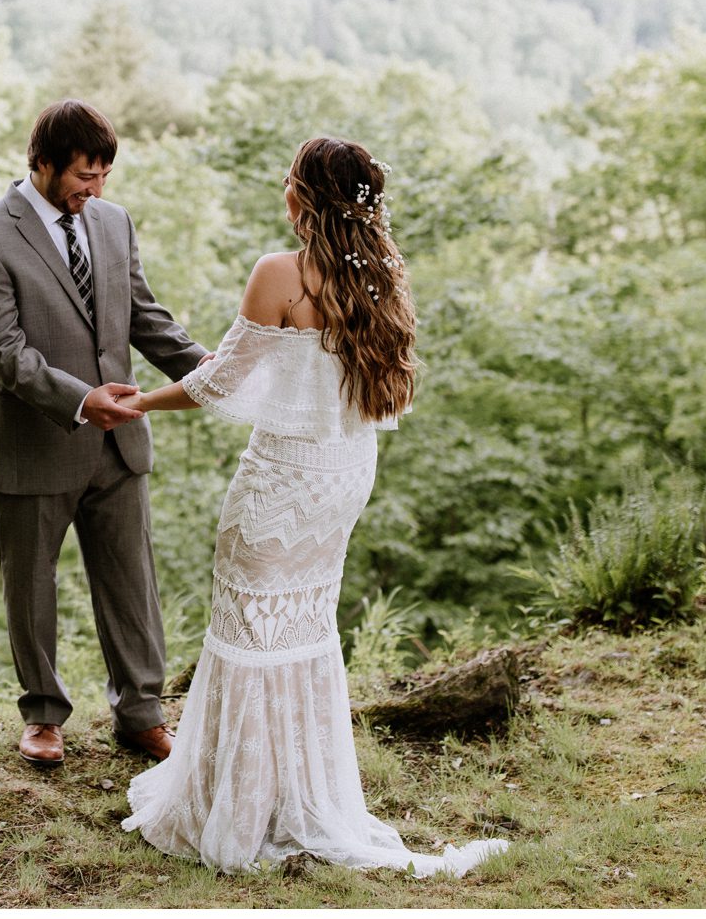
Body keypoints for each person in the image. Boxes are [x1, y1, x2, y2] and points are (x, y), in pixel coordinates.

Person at [116, 136, 511, 878]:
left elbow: (220, 381)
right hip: (343, 479)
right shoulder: (383, 277)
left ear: (302, 196)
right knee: (300, 631)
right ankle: (293, 793)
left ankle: (239, 805)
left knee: (246, 630)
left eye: (289, 181)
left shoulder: (281, 273)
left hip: (280, 483)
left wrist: (131, 403)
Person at [0, 99, 212, 769]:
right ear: (41, 163)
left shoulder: (114, 223)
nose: (94, 191)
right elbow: (5, 354)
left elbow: (144, 317)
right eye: (82, 177)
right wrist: (80, 401)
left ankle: (142, 714)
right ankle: (42, 714)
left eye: (102, 177)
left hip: (119, 446)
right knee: (31, 587)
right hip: (34, 443)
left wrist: (213, 370)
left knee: (132, 584)